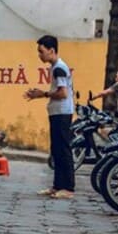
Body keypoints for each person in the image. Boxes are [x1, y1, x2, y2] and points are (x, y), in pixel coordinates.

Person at [24, 34, 75, 199]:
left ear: (51, 50)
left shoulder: (59, 68)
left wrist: (42, 94)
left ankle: (68, 188)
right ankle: (57, 186)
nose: (39, 55)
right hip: (56, 112)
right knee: (56, 150)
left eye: (41, 51)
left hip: (62, 112)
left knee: (63, 150)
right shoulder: (55, 67)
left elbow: (63, 93)